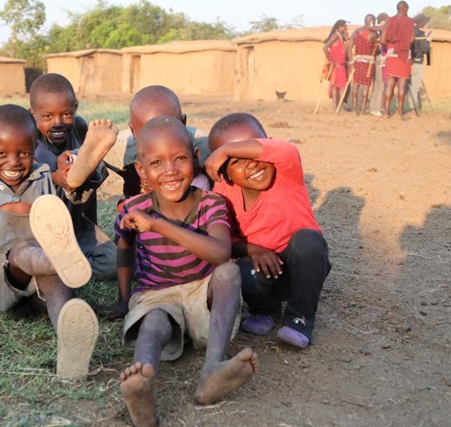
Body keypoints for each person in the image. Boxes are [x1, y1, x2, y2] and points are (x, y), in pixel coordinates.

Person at [96, 117, 258, 427]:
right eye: (156, 162)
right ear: (142, 171)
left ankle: (213, 368)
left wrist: (159, 225)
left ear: (195, 160)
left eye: (179, 158)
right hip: (157, 295)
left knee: (228, 273)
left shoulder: (211, 203)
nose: (169, 170)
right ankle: (142, 380)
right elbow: (124, 246)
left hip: (202, 298)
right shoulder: (134, 208)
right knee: (153, 322)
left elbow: (221, 252)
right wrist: (123, 298)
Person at [0, 104, 99, 379]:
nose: (14, 162)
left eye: (24, 153)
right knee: (23, 252)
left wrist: (71, 173)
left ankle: (70, 341)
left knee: (56, 285)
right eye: (1, 154)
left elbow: (68, 191)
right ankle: (58, 259)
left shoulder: (43, 178)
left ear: (35, 146)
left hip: (37, 275)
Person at [206, 113, 331, 349]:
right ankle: (265, 311)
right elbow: (223, 239)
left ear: (267, 145)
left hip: (302, 270)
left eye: (253, 151)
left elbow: (286, 150)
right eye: (236, 160)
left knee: (309, 242)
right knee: (241, 270)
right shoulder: (222, 193)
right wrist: (254, 249)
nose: (251, 163)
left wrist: (227, 150)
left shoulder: (286, 172)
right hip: (261, 272)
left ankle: (299, 318)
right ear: (224, 173)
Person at [28, 73, 118, 281]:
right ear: (33, 114)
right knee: (56, 167)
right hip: (44, 232)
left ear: (75, 108)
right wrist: (58, 174)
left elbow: (89, 203)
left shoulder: (79, 128)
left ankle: (67, 268)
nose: (58, 123)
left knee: (114, 263)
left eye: (67, 114)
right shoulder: (30, 140)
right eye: (47, 117)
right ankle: (73, 175)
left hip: (77, 225)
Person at [114, 85, 211, 200]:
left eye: (180, 158)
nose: (159, 139)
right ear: (133, 131)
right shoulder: (120, 146)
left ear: (183, 123)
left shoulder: (206, 147)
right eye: (148, 132)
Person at [381, 1, 415, 119]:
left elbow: (383, 40)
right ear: (404, 8)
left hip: (391, 54)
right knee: (401, 85)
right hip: (404, 56)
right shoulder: (410, 22)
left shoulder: (389, 21)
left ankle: (386, 112)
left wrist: (392, 44)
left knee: (389, 85)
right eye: (408, 8)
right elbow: (411, 40)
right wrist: (402, 44)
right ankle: (400, 113)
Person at [347, 14, 379, 115]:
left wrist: (352, 61)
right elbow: (377, 47)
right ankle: (363, 109)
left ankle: (355, 108)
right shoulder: (374, 34)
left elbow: (349, 48)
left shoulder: (356, 32)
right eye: (374, 21)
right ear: (371, 21)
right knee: (366, 87)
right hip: (368, 64)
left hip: (357, 62)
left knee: (355, 85)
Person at [407, 13, 432, 116]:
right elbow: (424, 49)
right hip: (417, 62)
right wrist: (428, 41)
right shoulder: (421, 35)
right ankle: (413, 107)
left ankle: (413, 105)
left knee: (410, 85)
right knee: (415, 86)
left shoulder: (409, 32)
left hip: (409, 61)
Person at [322, 20, 349, 111]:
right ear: (339, 27)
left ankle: (335, 106)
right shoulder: (335, 36)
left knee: (336, 86)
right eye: (344, 27)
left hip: (339, 65)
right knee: (341, 86)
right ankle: (339, 106)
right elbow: (325, 48)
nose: (345, 28)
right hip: (338, 66)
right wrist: (332, 61)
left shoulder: (340, 37)